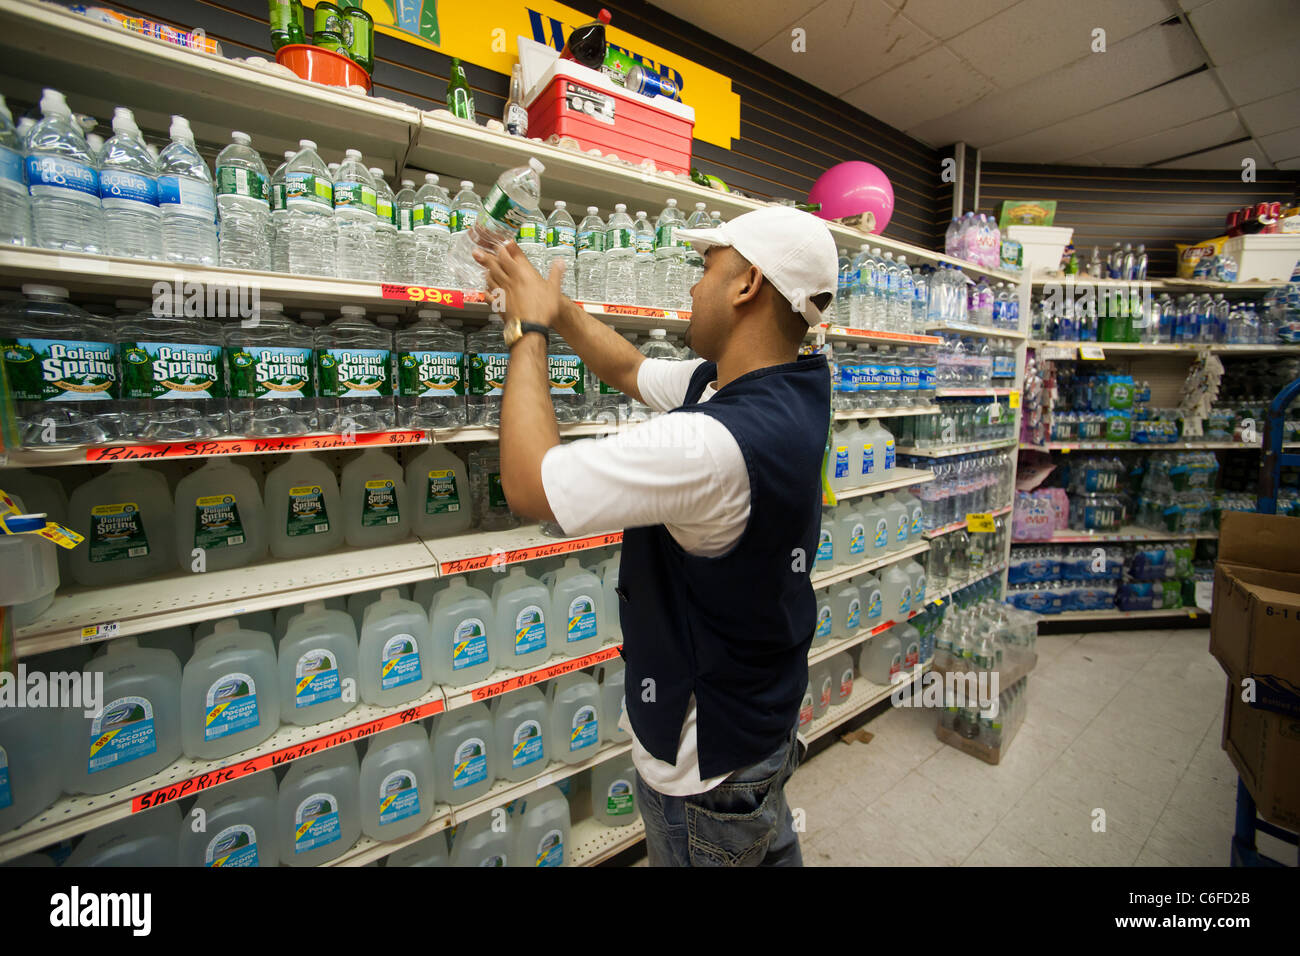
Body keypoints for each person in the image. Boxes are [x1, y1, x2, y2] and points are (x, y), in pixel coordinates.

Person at [471, 204, 836, 866]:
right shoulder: (780, 386)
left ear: (747, 284)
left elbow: (527, 484)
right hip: (761, 724)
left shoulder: (711, 443)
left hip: (704, 769)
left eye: (706, 268)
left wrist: (525, 331)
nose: (692, 287)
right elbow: (631, 370)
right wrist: (556, 307)